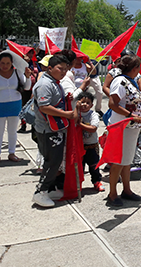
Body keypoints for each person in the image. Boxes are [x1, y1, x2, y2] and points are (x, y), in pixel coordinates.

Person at [32, 54, 78, 208]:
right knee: (52, 161)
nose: (63, 71)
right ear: (50, 68)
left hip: (55, 127)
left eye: (66, 69)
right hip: (47, 129)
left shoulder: (55, 82)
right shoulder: (45, 84)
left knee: (55, 161)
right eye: (60, 68)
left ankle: (49, 189)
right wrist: (66, 114)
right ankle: (40, 191)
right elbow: (44, 107)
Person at [107, 55, 141, 207]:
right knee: (118, 162)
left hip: (132, 128)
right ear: (134, 69)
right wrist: (131, 115)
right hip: (122, 127)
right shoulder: (119, 81)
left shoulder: (130, 81)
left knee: (127, 161)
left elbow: (131, 100)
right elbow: (113, 104)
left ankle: (127, 190)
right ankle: (112, 193)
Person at [0, 52, 32, 161]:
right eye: (2, 63)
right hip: (1, 106)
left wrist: (28, 77)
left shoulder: (17, 73)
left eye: (7, 63)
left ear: (12, 63)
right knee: (0, 132)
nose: (5, 65)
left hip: (15, 105)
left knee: (12, 131)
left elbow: (27, 87)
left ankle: (12, 153)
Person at [75, 91, 104, 191]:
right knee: (79, 167)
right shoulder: (75, 113)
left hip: (91, 145)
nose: (84, 105)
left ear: (92, 105)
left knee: (94, 166)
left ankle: (97, 181)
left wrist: (80, 124)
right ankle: (79, 184)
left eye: (87, 103)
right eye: (82, 102)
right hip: (79, 145)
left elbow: (93, 128)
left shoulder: (93, 115)